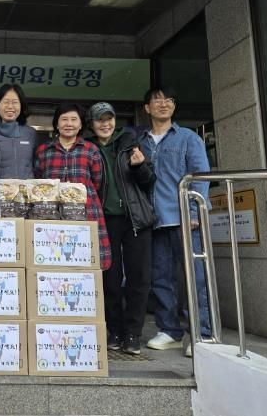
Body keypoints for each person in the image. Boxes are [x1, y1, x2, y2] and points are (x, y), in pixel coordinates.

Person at [138, 88, 211, 355]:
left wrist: (193, 212)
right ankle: (170, 330)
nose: (163, 104)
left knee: (196, 278)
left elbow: (200, 176)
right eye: (157, 100)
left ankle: (203, 334)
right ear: (147, 108)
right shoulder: (141, 142)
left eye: (168, 100)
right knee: (160, 279)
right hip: (155, 220)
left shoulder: (188, 138)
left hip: (184, 218)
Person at [86, 102, 155, 355]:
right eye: (99, 120)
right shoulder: (88, 148)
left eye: (109, 119)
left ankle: (133, 334)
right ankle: (114, 330)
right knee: (110, 278)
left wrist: (139, 166)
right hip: (105, 220)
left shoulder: (130, 143)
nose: (105, 124)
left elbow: (149, 181)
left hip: (135, 218)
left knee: (138, 278)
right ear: (91, 124)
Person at [33, 102, 111, 270]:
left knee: (88, 259)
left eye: (74, 119)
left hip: (86, 210)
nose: (69, 124)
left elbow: (97, 181)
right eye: (64, 119)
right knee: (54, 257)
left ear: (81, 124)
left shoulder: (90, 150)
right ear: (56, 124)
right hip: (52, 213)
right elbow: (39, 180)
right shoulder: (44, 150)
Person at [0, 84, 37, 178]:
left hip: (26, 187)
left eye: (15, 102)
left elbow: (37, 165)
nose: (10, 106)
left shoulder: (30, 133)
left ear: (21, 106)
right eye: (6, 102)